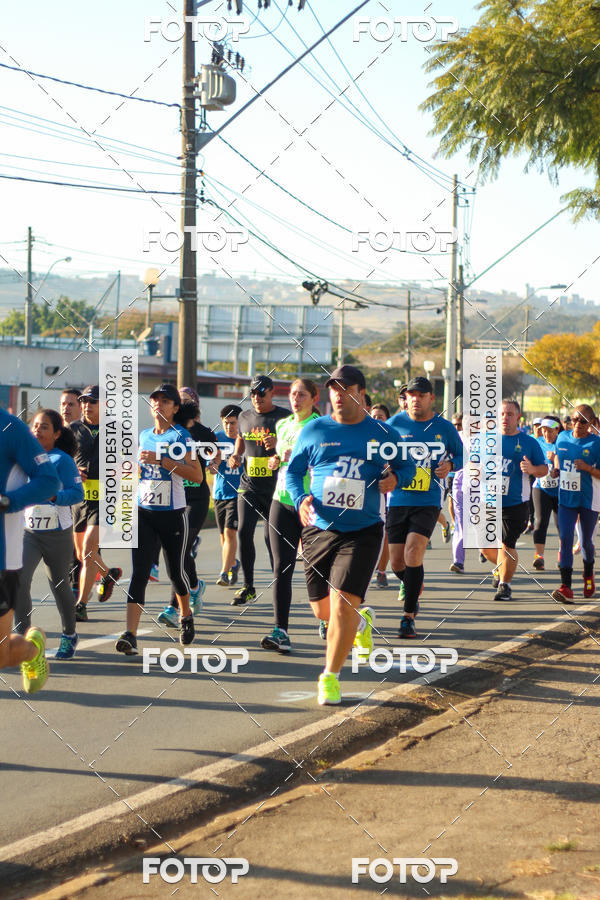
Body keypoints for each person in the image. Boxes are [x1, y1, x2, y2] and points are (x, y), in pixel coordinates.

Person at [287, 365, 414, 705]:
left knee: (343, 604)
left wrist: (395, 480)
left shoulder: (382, 433)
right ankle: (361, 623)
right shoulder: (315, 430)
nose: (338, 397)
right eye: (333, 390)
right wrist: (300, 499)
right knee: (321, 611)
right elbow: (294, 472)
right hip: (319, 528)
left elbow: (408, 467)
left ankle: (330, 676)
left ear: (360, 393)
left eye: (345, 390)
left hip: (363, 530)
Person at [116, 383, 205, 655]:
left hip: (173, 515)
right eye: (155, 399)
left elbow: (197, 476)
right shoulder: (143, 435)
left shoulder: (182, 436)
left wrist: (162, 461)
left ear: (175, 408)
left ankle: (186, 615)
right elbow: (135, 471)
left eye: (166, 401)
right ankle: (130, 634)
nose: (159, 404)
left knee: (175, 572)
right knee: (139, 573)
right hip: (144, 512)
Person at [386, 376, 463, 637]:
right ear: (405, 398)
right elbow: (378, 452)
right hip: (398, 499)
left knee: (413, 552)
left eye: (421, 395)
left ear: (432, 398)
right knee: (397, 562)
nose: (415, 399)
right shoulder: (394, 424)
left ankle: (408, 617)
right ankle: (412, 583)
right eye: (411, 394)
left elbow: (461, 455)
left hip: (428, 500)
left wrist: (450, 465)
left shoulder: (444, 428)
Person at [14, 410, 84, 659]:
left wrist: (55, 497)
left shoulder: (62, 460)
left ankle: (69, 634)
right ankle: (22, 637)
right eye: (35, 426)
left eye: (44, 427)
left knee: (59, 584)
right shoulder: (23, 458)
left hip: (57, 534)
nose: (37, 430)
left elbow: (78, 493)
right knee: (19, 580)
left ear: (56, 433)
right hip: (29, 531)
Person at [0, 407, 59, 693]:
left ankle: (32, 650)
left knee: (1, 655)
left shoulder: (10, 428)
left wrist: (8, 501)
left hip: (3, 557)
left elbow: (48, 480)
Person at [261, 379, 320, 653]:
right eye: (293, 394)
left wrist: (298, 458)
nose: (295, 398)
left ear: (314, 398)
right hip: (281, 500)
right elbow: (279, 459)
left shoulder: (321, 426)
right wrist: (275, 460)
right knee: (281, 566)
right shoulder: (283, 424)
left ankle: (327, 616)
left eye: (302, 394)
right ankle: (280, 630)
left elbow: (326, 462)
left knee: (317, 568)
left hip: (311, 503)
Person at [227, 375, 288, 606]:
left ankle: (279, 585)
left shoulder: (284, 417)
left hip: (275, 489)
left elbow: (294, 445)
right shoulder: (244, 416)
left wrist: (278, 447)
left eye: (261, 393)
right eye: (253, 393)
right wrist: (236, 455)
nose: (256, 398)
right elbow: (241, 441)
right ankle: (248, 586)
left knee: (270, 538)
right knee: (243, 531)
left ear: (272, 392)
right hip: (249, 485)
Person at [156, 387, 213, 626]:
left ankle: (173, 607)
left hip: (197, 500)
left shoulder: (204, 433)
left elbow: (215, 456)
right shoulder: (167, 433)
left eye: (187, 401)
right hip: (173, 499)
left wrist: (219, 461)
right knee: (179, 550)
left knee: (180, 548)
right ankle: (196, 586)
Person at [481, 400, 547, 601]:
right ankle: (500, 569)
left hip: (515, 503)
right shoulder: (486, 439)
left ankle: (505, 585)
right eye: (501, 414)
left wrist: (533, 470)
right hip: (489, 501)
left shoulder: (529, 442)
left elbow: (544, 469)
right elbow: (474, 465)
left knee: (507, 545)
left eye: (509, 414)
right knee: (485, 548)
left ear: (518, 417)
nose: (505, 417)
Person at [71, 386, 121, 621]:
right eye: (83, 401)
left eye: (92, 401)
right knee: (82, 554)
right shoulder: (71, 430)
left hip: (104, 499)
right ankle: (108, 573)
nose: (86, 405)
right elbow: (60, 460)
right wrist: (73, 471)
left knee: (89, 551)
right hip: (78, 499)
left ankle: (81, 604)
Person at [552, 404, 600, 603]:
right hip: (566, 498)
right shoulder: (562, 438)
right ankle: (566, 587)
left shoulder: (596, 443)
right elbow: (557, 455)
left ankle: (588, 573)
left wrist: (588, 468)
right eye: (574, 419)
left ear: (591, 423)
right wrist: (555, 469)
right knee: (565, 538)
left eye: (582, 421)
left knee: (586, 541)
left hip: (588, 499)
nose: (577, 424)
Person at [211, 405, 242, 586]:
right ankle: (233, 563)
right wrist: (213, 465)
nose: (229, 426)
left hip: (239, 494)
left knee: (230, 532)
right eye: (226, 423)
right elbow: (212, 466)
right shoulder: (217, 439)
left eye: (233, 423)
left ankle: (224, 572)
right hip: (219, 493)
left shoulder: (244, 440)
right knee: (223, 536)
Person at [532, 416, 561, 570]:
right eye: (544, 431)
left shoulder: (562, 443)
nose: (546, 434)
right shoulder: (537, 443)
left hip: (561, 490)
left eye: (550, 431)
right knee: (540, 521)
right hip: (541, 487)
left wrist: (556, 458)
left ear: (557, 430)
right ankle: (539, 557)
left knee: (561, 525)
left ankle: (563, 555)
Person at [371, 403, 392, 587]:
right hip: (366, 491)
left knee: (385, 532)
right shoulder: (363, 437)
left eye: (381, 417)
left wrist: (389, 468)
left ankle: (382, 570)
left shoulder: (392, 438)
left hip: (387, 491)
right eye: (374, 416)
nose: (377, 420)